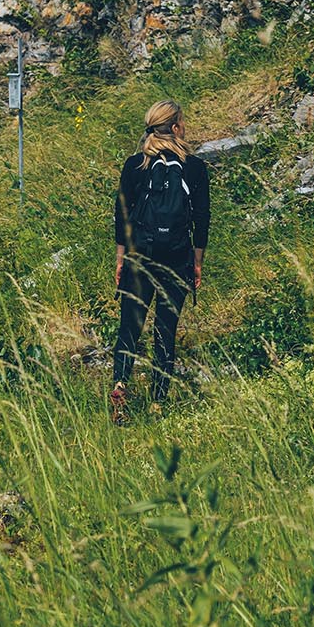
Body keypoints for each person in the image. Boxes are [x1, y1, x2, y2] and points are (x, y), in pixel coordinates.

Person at [110, 99, 211, 423]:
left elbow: (121, 216)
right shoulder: (194, 168)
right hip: (177, 258)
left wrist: (121, 260)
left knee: (130, 327)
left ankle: (120, 385)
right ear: (177, 127)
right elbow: (202, 218)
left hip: (139, 256)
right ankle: (157, 404)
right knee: (165, 331)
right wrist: (196, 262)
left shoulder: (135, 165)